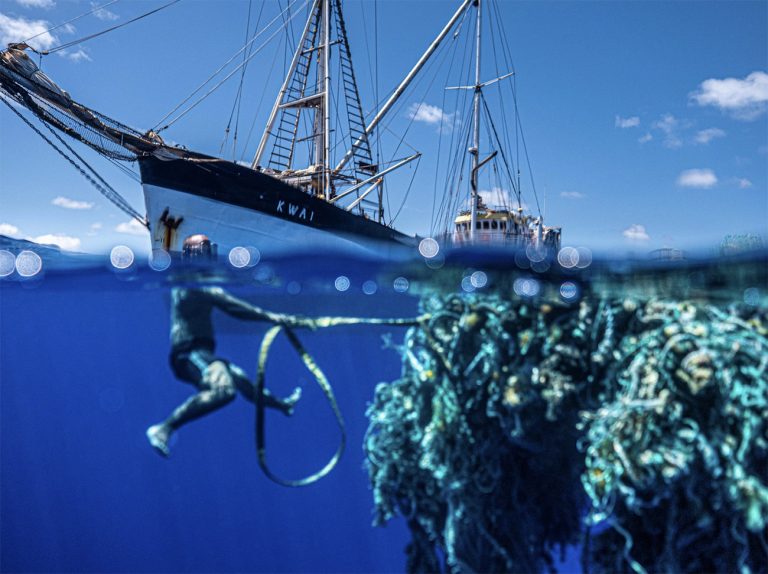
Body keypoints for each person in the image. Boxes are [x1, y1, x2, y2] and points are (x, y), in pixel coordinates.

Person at [146, 235, 301, 457]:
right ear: (193, 254)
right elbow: (235, 308)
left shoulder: (193, 279)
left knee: (242, 380)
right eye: (204, 251)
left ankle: (281, 405)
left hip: (201, 352)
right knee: (225, 390)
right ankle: (163, 429)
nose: (208, 255)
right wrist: (276, 317)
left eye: (209, 250)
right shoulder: (194, 282)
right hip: (188, 352)